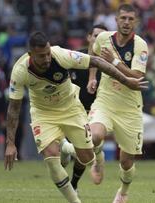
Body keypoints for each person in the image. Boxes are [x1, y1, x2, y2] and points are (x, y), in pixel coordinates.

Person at [4, 31, 148, 203]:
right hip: (43, 114)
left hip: (71, 108)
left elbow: (96, 61)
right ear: (30, 54)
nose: (47, 58)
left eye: (48, 53)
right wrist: (10, 143)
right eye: (42, 56)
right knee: (51, 157)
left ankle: (67, 148)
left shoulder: (62, 55)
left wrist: (125, 80)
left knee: (87, 158)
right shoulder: (20, 72)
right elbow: (13, 109)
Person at [88, 3, 148, 203]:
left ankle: (123, 192)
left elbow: (137, 77)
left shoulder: (140, 45)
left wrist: (114, 62)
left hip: (130, 108)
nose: (127, 22)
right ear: (116, 20)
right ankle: (98, 159)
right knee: (94, 135)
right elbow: (93, 52)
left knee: (126, 161)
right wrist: (92, 77)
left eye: (131, 19)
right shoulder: (104, 38)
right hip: (105, 100)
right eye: (123, 18)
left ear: (136, 22)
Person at [59, 24, 108, 192]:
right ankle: (68, 151)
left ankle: (73, 184)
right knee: (67, 154)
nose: (98, 40)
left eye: (103, 37)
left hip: (93, 115)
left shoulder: (109, 65)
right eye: (95, 36)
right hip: (70, 112)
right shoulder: (75, 59)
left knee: (84, 150)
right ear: (88, 37)